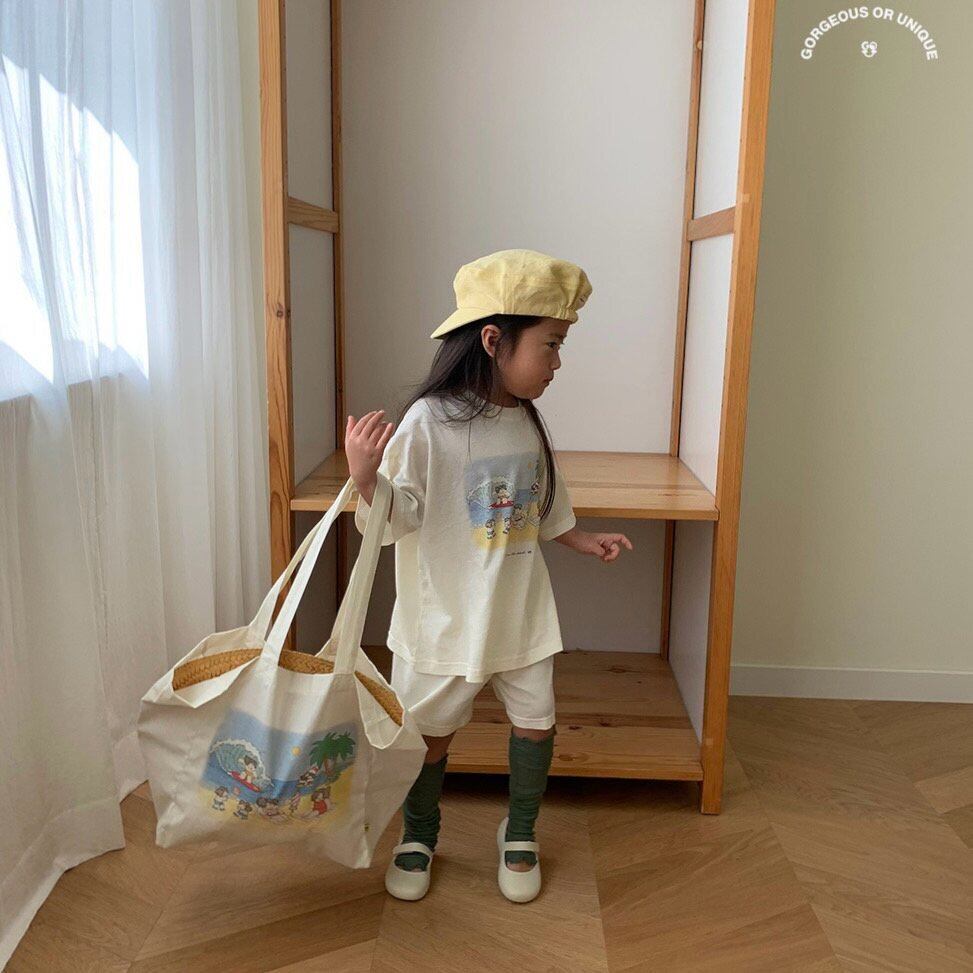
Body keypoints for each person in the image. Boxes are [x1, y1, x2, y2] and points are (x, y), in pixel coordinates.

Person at [346, 249, 633, 904]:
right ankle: (419, 833)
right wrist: (366, 479)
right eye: (551, 345)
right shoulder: (428, 423)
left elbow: (537, 505)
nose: (557, 363)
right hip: (443, 621)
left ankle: (520, 830)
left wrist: (580, 538)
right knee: (429, 736)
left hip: (519, 611)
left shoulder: (524, 420)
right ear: (493, 340)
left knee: (535, 722)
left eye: (559, 346)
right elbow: (394, 519)